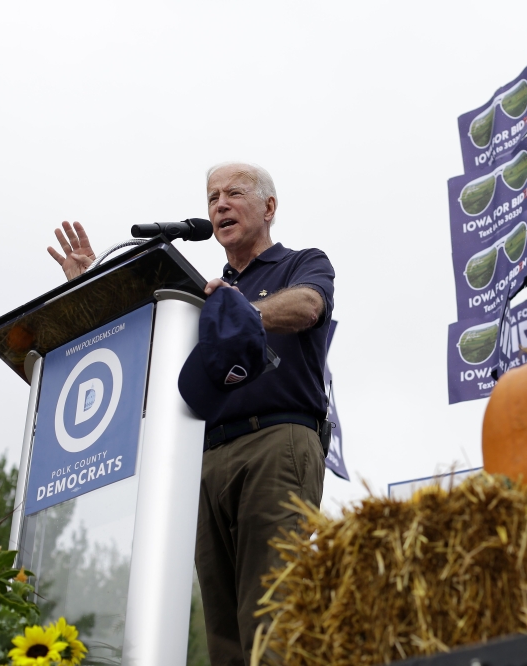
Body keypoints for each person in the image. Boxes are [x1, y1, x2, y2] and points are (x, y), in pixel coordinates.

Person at [47, 163, 333, 666]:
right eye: (211, 197)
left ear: (269, 207)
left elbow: (308, 307)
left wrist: (238, 312)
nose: (219, 205)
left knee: (274, 618)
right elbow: (147, 357)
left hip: (275, 444)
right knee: (223, 636)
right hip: (201, 457)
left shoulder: (301, 263)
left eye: (234, 193)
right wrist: (90, 289)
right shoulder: (198, 296)